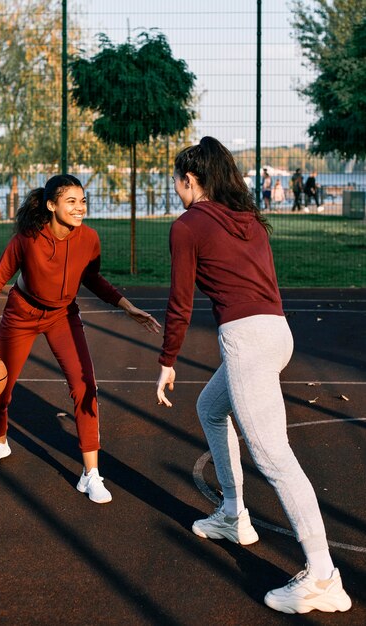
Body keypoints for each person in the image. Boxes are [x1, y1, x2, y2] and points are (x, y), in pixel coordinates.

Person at [156, 137, 351, 614]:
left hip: (247, 340)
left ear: (191, 180)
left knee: (273, 457)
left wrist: (167, 361)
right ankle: (232, 514)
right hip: (278, 332)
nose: (176, 189)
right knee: (210, 407)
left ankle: (323, 575)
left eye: (177, 182)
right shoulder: (248, 220)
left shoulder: (188, 225)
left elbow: (181, 302)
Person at [0, 174, 160, 504]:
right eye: (71, 202)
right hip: (21, 314)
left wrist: (125, 305)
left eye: (82, 201)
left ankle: (91, 474)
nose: (80, 208)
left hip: (62, 316)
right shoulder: (26, 238)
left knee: (85, 387)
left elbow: (91, 278)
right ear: (51, 205)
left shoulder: (89, 239)